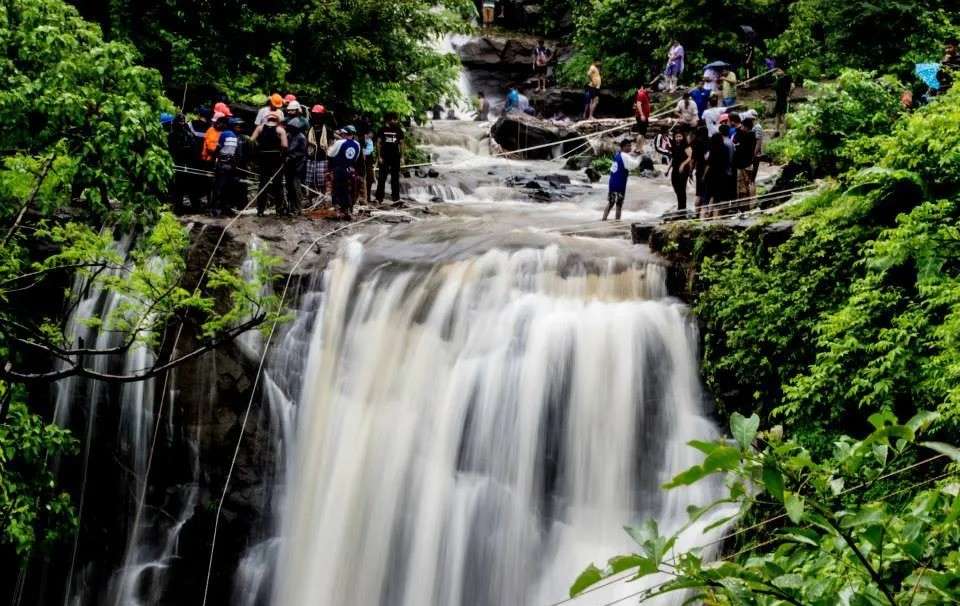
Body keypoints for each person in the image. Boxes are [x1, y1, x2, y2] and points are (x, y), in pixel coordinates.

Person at [251, 111, 288, 216]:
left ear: (267, 119)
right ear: (277, 120)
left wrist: (258, 148)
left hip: (263, 158)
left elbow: (251, 140)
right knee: (278, 185)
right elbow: (285, 145)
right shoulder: (280, 130)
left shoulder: (260, 128)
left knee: (263, 184)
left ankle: (260, 211)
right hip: (276, 159)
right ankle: (279, 210)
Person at [602, 138, 642, 221]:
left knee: (611, 202)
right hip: (620, 183)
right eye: (628, 146)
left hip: (612, 182)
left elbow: (627, 159)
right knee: (619, 204)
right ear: (623, 147)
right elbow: (633, 165)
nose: (630, 148)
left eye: (630, 146)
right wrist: (640, 157)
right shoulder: (625, 156)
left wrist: (634, 154)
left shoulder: (618, 154)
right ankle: (617, 221)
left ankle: (604, 219)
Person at [328, 125, 362, 219]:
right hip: (350, 170)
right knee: (348, 190)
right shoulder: (357, 144)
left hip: (339, 169)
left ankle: (338, 211)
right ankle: (347, 211)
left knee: (337, 189)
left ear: (345, 133)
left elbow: (330, 154)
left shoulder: (339, 142)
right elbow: (356, 159)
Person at [211, 116, 240, 216]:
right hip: (231, 164)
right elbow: (236, 152)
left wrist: (213, 158)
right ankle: (226, 208)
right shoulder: (235, 136)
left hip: (222, 163)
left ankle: (216, 209)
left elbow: (218, 148)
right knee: (228, 187)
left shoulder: (224, 134)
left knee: (219, 186)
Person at [376, 112, 404, 204]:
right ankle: (379, 198)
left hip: (395, 156)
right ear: (389, 119)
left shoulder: (399, 130)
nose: (395, 121)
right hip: (384, 156)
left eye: (396, 119)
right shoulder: (382, 130)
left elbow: (402, 144)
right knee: (382, 177)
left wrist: (402, 157)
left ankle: (396, 198)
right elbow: (378, 143)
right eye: (394, 119)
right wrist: (379, 156)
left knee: (395, 178)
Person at [284, 115, 308, 215]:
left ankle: (298, 208)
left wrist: (291, 156)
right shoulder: (289, 135)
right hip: (288, 164)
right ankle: (290, 207)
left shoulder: (301, 137)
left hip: (298, 165)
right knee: (289, 186)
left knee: (296, 186)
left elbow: (302, 152)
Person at [667, 129, 693, 211]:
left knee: (682, 188)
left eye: (680, 136)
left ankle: (682, 208)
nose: (678, 138)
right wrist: (668, 169)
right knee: (675, 186)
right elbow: (673, 159)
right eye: (676, 137)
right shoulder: (674, 146)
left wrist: (683, 164)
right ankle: (680, 205)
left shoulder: (686, 146)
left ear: (683, 137)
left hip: (683, 170)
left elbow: (690, 156)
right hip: (675, 168)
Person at [732, 116, 757, 199]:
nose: (741, 128)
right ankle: (750, 203)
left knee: (742, 186)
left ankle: (744, 205)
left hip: (743, 164)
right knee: (749, 182)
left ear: (746, 127)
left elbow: (739, 147)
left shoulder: (746, 136)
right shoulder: (752, 135)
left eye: (742, 126)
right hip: (749, 163)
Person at [691, 120, 710, 206]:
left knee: (698, 192)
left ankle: (697, 212)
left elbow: (693, 159)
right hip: (709, 169)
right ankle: (705, 210)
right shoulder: (710, 140)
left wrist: (690, 171)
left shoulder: (696, 142)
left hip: (700, 168)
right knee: (706, 191)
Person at [772, 68, 793, 135]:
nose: (777, 73)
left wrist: (789, 95)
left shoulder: (787, 77)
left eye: (778, 71)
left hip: (784, 98)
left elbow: (793, 86)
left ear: (782, 70)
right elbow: (775, 88)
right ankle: (777, 131)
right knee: (777, 114)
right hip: (778, 99)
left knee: (784, 115)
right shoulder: (778, 78)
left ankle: (785, 132)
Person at [633, 83, 651, 148]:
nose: (651, 89)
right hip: (641, 116)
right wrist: (642, 115)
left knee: (643, 132)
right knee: (641, 132)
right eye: (650, 88)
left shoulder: (646, 95)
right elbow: (638, 104)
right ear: (646, 88)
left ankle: (641, 147)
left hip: (645, 116)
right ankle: (637, 147)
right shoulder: (641, 94)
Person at [362, 130, 376, 203]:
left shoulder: (370, 141)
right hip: (363, 160)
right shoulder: (362, 140)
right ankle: (364, 197)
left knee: (369, 179)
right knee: (363, 179)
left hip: (369, 160)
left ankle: (368, 196)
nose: (372, 135)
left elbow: (370, 151)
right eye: (371, 133)